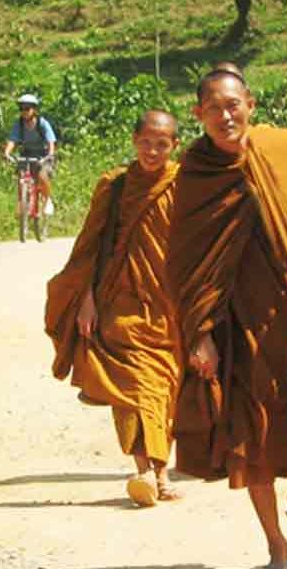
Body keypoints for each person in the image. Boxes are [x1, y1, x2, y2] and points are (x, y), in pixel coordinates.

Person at [166, 69, 287, 569]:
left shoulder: (284, 149)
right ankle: (275, 544)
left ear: (251, 104)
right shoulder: (197, 175)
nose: (226, 117)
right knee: (255, 437)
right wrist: (199, 332)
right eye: (214, 109)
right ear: (198, 115)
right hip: (238, 326)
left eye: (233, 106)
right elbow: (186, 263)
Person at [43, 111, 184, 507]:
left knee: (166, 387)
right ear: (134, 139)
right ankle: (147, 469)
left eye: (161, 144)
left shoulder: (184, 186)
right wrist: (86, 299)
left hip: (168, 307)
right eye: (145, 141)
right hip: (117, 302)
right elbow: (88, 250)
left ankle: (159, 471)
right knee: (135, 387)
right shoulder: (115, 187)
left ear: (174, 146)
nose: (152, 151)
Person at [3, 93, 58, 219]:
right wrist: (7, 152)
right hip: (27, 154)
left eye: (27, 109)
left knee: (41, 175)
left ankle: (47, 199)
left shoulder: (42, 123)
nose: (24, 112)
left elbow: (51, 142)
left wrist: (49, 155)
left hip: (43, 155)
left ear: (34, 110)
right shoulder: (19, 124)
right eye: (21, 109)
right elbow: (12, 140)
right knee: (21, 177)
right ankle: (22, 202)